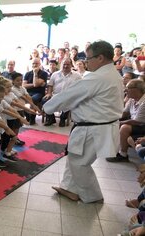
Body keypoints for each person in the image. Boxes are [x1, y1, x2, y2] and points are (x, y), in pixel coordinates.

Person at [44, 40, 124, 203]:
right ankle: (68, 188)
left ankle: (92, 196)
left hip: (93, 128)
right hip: (97, 126)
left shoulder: (98, 77)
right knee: (74, 157)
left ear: (100, 58)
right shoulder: (111, 73)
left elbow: (70, 95)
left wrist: (47, 108)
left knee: (79, 163)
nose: (86, 62)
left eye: (88, 58)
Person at [106, 79, 145, 162]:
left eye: (128, 88)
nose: (125, 90)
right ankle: (112, 149)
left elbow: (138, 121)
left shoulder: (144, 101)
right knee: (113, 123)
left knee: (124, 127)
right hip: (136, 123)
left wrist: (120, 122)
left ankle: (123, 154)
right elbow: (124, 113)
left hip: (142, 125)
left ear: (136, 90)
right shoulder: (132, 99)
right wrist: (112, 119)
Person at [43, 58, 82, 127]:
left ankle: (63, 119)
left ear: (71, 65)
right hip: (56, 95)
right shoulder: (55, 74)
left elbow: (80, 87)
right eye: (64, 64)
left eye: (68, 64)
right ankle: (51, 118)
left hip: (69, 96)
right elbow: (50, 85)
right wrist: (49, 93)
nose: (66, 66)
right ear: (61, 65)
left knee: (69, 101)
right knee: (45, 100)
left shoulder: (77, 75)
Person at [23, 58, 48, 125]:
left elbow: (36, 84)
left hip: (39, 93)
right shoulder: (27, 73)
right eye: (33, 63)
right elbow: (24, 85)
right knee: (19, 98)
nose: (34, 65)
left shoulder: (44, 73)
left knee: (33, 99)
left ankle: (32, 118)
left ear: (39, 64)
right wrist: (35, 84)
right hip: (28, 93)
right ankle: (27, 116)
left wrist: (35, 73)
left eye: (36, 63)